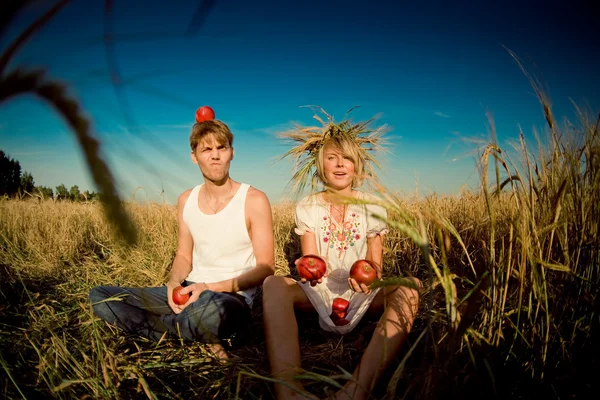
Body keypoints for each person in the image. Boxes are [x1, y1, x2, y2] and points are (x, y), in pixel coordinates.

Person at [263, 110, 421, 399]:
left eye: (346, 158)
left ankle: (357, 389)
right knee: (273, 284)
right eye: (331, 157)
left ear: (357, 166)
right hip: (319, 293)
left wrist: (371, 276)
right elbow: (312, 264)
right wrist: (304, 266)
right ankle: (289, 390)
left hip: (362, 295)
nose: (339, 164)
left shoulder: (373, 206)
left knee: (411, 287)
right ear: (320, 165)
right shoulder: (308, 206)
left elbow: (375, 264)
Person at [89, 118, 275, 359]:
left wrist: (208, 288)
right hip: (187, 292)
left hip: (227, 299)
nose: (215, 156)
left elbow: (266, 267)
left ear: (232, 152)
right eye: (206, 149)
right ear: (194, 157)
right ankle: (191, 330)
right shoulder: (186, 200)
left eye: (222, 148)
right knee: (100, 296)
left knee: (214, 310)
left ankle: (162, 327)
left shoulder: (253, 199)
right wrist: (173, 284)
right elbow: (184, 255)